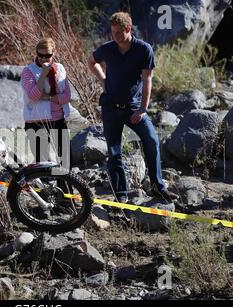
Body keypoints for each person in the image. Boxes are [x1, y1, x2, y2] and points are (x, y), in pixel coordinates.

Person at [88, 12, 178, 203]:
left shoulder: (143, 49)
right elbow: (91, 61)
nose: (115, 36)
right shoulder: (107, 48)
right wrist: (103, 80)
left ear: (128, 29)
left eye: (119, 32)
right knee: (114, 153)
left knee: (152, 140)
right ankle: (121, 196)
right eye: (112, 32)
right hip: (111, 108)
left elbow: (147, 80)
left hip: (134, 108)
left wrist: (143, 109)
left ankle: (158, 187)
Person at [21, 37, 72, 170]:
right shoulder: (28, 71)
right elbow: (33, 96)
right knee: (42, 165)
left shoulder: (60, 68)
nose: (43, 59)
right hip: (37, 123)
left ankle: (66, 190)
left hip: (58, 120)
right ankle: (44, 191)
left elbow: (67, 96)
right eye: (40, 55)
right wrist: (43, 73)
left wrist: (47, 97)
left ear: (54, 52)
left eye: (47, 55)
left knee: (65, 163)